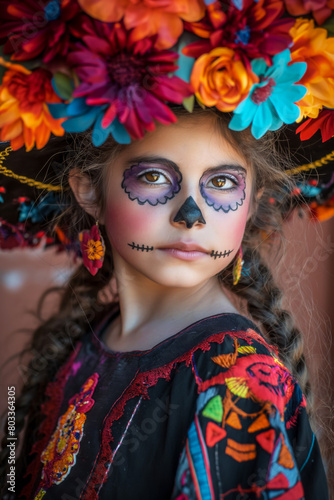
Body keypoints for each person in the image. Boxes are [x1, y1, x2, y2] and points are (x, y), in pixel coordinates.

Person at [0, 1, 333, 499]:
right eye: (154, 177)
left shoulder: (236, 383)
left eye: (221, 183)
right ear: (90, 192)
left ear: (252, 204)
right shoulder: (83, 343)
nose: (191, 215)